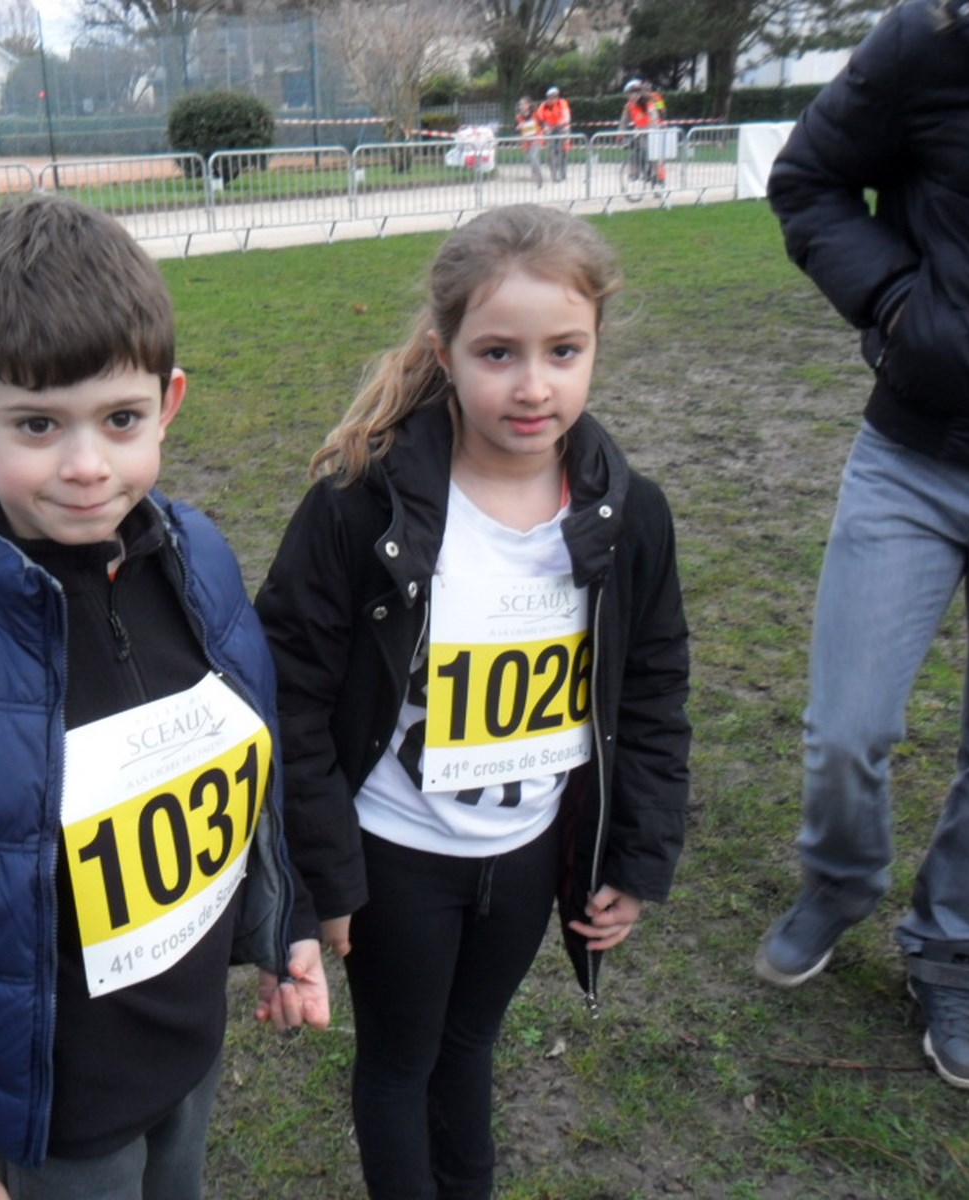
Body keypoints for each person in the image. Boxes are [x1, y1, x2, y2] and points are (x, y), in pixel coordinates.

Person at [0, 193, 329, 1200]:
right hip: (55, 1117)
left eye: (120, 419)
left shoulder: (202, 563)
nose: (88, 466)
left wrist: (287, 924)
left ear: (169, 403)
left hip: (189, 1052)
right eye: (38, 425)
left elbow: (245, 774)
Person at [256, 205, 691, 1200]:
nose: (533, 386)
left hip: (530, 851)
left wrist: (635, 854)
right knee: (401, 1061)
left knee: (470, 1047)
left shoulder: (630, 516)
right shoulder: (360, 508)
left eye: (563, 351)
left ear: (596, 347)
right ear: (443, 351)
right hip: (396, 855)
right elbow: (292, 698)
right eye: (498, 353)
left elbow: (653, 687)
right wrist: (328, 875)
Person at [756, 0, 969, 1093]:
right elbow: (808, 179)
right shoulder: (936, 42)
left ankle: (951, 947)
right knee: (846, 730)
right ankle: (840, 882)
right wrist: (896, 303)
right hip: (913, 459)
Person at [620, 79, 667, 188]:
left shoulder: (650, 101)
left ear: (637, 92)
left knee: (656, 157)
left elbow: (656, 116)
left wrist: (654, 128)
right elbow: (624, 121)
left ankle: (660, 178)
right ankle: (635, 172)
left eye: (630, 94)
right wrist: (620, 136)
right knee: (636, 150)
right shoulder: (629, 106)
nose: (629, 97)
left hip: (653, 130)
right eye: (628, 94)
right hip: (640, 131)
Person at [535, 86, 573, 183]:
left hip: (562, 128)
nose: (551, 99)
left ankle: (563, 172)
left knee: (563, 150)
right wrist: (544, 126)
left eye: (554, 97)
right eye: (549, 97)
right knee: (551, 152)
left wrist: (563, 125)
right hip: (550, 130)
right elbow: (539, 118)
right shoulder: (543, 106)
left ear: (557, 97)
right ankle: (554, 173)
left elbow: (566, 116)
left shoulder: (562, 103)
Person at [514, 96, 543, 183]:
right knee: (530, 158)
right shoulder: (519, 117)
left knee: (533, 156)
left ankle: (538, 176)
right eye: (520, 104)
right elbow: (515, 129)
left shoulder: (535, 114)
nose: (521, 106)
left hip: (536, 138)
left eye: (523, 104)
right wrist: (518, 127)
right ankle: (535, 173)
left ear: (529, 105)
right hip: (526, 141)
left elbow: (542, 124)